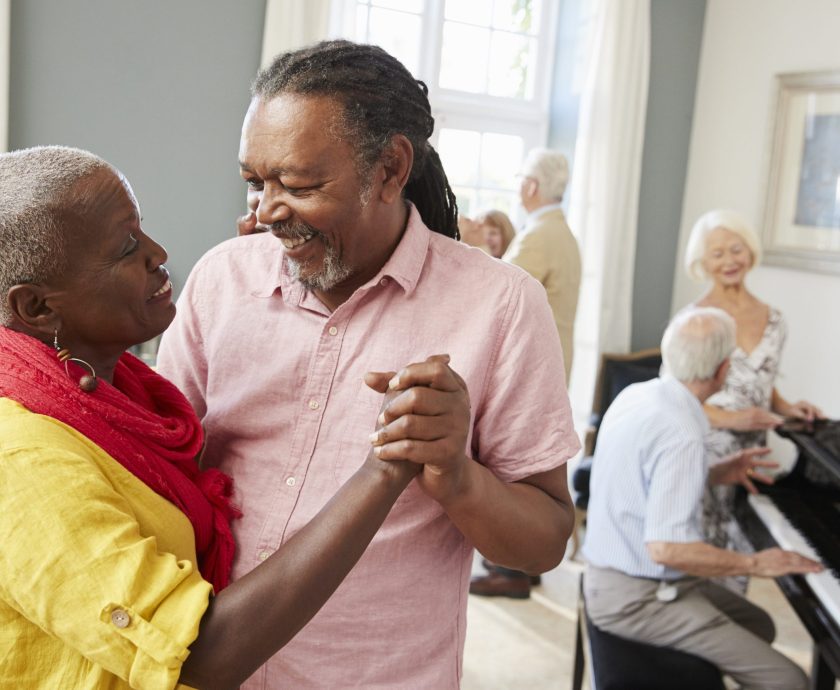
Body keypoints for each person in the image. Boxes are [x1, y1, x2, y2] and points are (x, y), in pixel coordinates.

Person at [157, 39, 578, 689]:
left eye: (297, 185)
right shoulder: (220, 281)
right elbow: (155, 468)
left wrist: (456, 477)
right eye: (255, 182)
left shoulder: (501, 305)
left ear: (389, 169)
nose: (266, 213)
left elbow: (546, 539)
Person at [0, 145, 471, 689]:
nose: (158, 253)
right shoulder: (24, 462)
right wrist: (384, 469)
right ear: (36, 307)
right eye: (127, 247)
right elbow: (201, 654)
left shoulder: (113, 394)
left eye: (143, 230)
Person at [582, 307, 822, 690]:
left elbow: (644, 483)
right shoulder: (682, 430)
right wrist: (756, 563)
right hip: (637, 598)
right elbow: (667, 549)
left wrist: (714, 473)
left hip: (607, 576)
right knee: (788, 680)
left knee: (760, 624)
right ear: (725, 369)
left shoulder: (639, 396)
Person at [683, 210, 823, 583]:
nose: (729, 261)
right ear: (702, 261)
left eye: (736, 249)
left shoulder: (775, 319)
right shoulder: (695, 321)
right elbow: (678, 400)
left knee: (741, 557)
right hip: (706, 451)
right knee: (702, 556)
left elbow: (760, 379)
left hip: (752, 457)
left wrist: (787, 406)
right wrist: (735, 419)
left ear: (750, 251)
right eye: (717, 254)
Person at [469, 148, 581, 598]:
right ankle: (523, 568)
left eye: (519, 180)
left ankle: (509, 570)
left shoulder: (539, 237)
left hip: (530, 367)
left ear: (531, 187)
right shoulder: (562, 233)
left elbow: (496, 296)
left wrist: (472, 246)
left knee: (510, 466)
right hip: (557, 360)